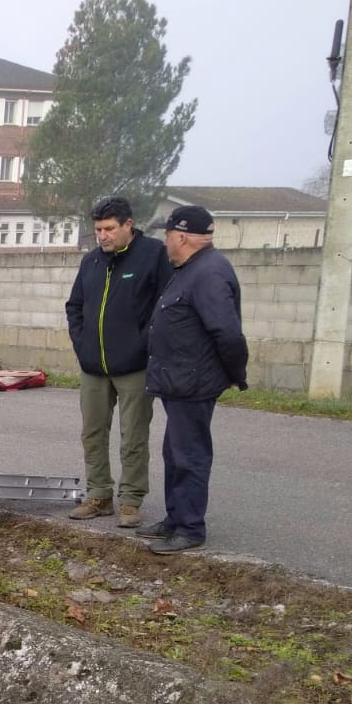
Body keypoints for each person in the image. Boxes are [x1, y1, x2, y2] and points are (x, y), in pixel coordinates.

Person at [139, 205, 250, 555]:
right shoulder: (189, 269)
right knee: (174, 453)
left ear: (181, 236)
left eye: (167, 235)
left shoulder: (208, 273)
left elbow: (228, 333)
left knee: (190, 455)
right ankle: (175, 519)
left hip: (194, 381)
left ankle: (190, 527)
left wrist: (235, 374)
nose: (165, 242)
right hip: (180, 381)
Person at [64, 196, 172, 528]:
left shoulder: (153, 255)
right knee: (92, 433)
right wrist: (83, 347)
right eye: (98, 229)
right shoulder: (91, 262)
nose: (103, 236)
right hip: (94, 367)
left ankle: (130, 501)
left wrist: (144, 346)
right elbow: (75, 307)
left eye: (109, 228)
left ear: (128, 224)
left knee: (133, 436)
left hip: (135, 368)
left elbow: (165, 307)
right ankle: (98, 495)